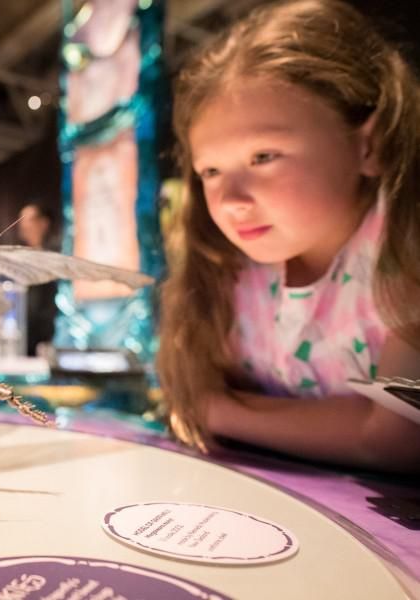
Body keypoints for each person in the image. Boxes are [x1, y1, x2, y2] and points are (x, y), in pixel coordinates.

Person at [157, 0, 420, 474]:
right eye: (211, 170)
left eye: (264, 156)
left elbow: (398, 436)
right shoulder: (229, 267)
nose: (232, 199)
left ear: (367, 145)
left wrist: (218, 411)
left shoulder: (403, 247)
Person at [17, 203, 59, 357]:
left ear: (43, 223)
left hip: (43, 338)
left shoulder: (53, 257)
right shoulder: (19, 258)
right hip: (19, 334)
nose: (22, 224)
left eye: (27, 219)